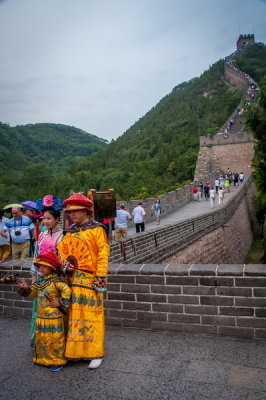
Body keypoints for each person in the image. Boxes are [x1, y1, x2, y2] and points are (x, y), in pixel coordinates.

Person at [57, 193, 109, 369]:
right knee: (74, 316)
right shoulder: (69, 231)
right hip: (72, 280)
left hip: (90, 280)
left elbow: (103, 255)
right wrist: (65, 266)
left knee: (92, 315)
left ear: (86, 211)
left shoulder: (97, 229)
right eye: (70, 212)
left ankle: (95, 352)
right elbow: (62, 254)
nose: (72, 214)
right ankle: (75, 351)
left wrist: (99, 279)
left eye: (76, 211)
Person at [19, 252, 71, 372]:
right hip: (42, 316)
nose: (40, 269)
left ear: (51, 267)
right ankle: (43, 359)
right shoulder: (40, 281)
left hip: (54, 317)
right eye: (39, 266)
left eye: (44, 266)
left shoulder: (57, 280)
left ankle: (57, 360)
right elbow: (34, 293)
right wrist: (26, 288)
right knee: (43, 338)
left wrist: (60, 302)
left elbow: (67, 291)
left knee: (54, 339)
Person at [30, 195, 64, 346]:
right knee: (40, 310)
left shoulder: (62, 236)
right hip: (41, 278)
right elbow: (36, 257)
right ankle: (41, 342)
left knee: (54, 311)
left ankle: (56, 344)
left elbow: (62, 259)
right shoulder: (42, 235)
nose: (45, 221)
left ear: (57, 219)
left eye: (49, 218)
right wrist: (34, 276)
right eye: (44, 218)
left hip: (55, 280)